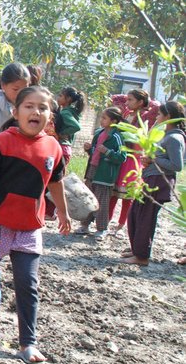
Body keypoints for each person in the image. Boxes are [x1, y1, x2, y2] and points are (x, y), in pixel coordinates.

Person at [0, 86, 70, 364]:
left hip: (29, 227)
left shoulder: (53, 147)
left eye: (42, 107)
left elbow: (55, 182)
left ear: (50, 116)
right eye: (29, 106)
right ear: (15, 112)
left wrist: (63, 213)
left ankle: (28, 343)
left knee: (27, 284)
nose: (35, 112)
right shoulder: (1, 142)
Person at [122, 101, 185, 265]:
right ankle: (137, 248)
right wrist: (149, 160)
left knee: (145, 218)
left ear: (168, 116)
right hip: (151, 178)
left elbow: (176, 166)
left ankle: (142, 256)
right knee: (135, 213)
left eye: (159, 114)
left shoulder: (174, 138)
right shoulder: (167, 136)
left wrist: (153, 159)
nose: (156, 117)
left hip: (159, 181)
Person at [76, 107, 125, 237]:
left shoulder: (116, 137)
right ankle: (85, 225)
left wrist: (107, 152)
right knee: (88, 198)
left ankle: (102, 228)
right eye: (101, 117)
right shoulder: (99, 133)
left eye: (104, 118)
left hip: (105, 174)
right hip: (93, 169)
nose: (101, 120)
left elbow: (122, 157)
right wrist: (88, 149)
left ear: (113, 120)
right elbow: (94, 152)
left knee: (102, 201)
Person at [112, 89, 150, 235]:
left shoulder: (144, 118)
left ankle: (122, 224)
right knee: (113, 192)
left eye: (130, 100)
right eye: (127, 100)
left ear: (140, 102)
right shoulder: (127, 115)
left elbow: (139, 140)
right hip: (121, 155)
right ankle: (107, 221)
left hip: (132, 158)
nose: (127, 103)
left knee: (127, 194)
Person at [54, 86, 85, 165]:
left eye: (61, 96)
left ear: (68, 99)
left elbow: (76, 126)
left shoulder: (65, 113)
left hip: (62, 146)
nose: (58, 98)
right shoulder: (71, 111)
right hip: (66, 148)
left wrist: (62, 133)